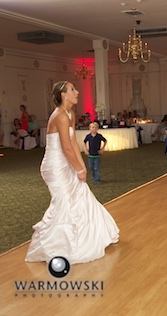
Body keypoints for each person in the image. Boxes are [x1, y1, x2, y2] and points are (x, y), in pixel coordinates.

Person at [25, 80, 119, 265]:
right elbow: (66, 148)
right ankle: (55, 245)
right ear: (63, 95)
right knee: (64, 203)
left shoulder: (70, 114)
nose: (77, 92)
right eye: (73, 90)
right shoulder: (59, 115)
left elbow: (73, 142)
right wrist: (77, 168)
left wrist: (81, 166)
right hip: (54, 166)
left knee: (81, 196)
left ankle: (88, 237)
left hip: (66, 162)